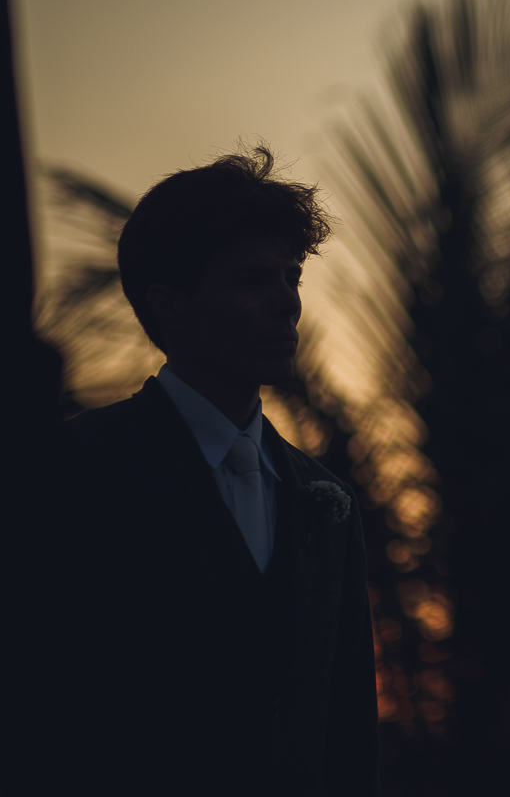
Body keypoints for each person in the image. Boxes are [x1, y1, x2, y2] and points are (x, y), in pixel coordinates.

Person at [28, 146, 379, 796]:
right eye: (253, 280)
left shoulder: (327, 500)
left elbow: (349, 728)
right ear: (171, 305)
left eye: (291, 276)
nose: (287, 303)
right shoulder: (74, 470)